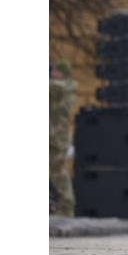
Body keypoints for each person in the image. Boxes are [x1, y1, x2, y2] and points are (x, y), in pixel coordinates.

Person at [49, 61, 78, 217]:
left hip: (57, 138)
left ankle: (67, 206)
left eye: (55, 70)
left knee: (57, 172)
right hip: (52, 136)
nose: (52, 73)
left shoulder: (64, 87)